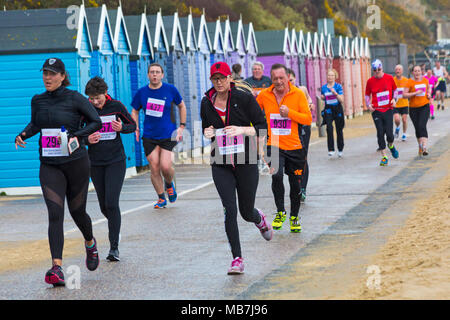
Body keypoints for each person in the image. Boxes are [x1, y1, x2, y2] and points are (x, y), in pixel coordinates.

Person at [14, 58, 102, 287]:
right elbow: (36, 124)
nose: (47, 78)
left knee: (77, 211)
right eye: (45, 73)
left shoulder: (75, 98)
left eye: (52, 74)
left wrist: (78, 136)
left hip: (76, 163)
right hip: (50, 164)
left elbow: (96, 121)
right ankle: (57, 268)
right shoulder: (38, 100)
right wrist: (23, 134)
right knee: (55, 213)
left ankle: (90, 242)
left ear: (63, 76)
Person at [200, 61, 272, 275]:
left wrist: (241, 129)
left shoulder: (243, 97)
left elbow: (262, 127)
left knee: (245, 212)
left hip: (246, 160)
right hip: (220, 163)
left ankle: (258, 218)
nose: (219, 82)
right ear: (212, 80)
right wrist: (207, 133)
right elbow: (206, 127)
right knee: (229, 210)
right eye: (215, 79)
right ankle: (237, 259)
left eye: (222, 78)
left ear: (230, 78)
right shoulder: (206, 102)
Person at [84, 77, 136, 262]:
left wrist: (122, 127)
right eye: (91, 98)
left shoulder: (116, 106)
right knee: (104, 205)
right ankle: (116, 226)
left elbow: (133, 126)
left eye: (98, 98)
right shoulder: (86, 108)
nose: (95, 102)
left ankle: (114, 247)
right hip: (95, 162)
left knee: (112, 203)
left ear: (105, 94)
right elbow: (78, 132)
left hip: (116, 160)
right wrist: (86, 140)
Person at [257, 64, 312, 233]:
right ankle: (280, 211)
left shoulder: (298, 94)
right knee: (277, 175)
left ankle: (294, 217)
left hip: (295, 146)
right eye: (275, 79)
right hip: (273, 144)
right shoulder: (264, 95)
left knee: (295, 184)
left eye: (282, 78)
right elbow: (253, 114)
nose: (279, 82)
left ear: (288, 77)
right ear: (271, 79)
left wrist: (290, 113)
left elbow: (308, 119)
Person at [131, 63, 186, 209]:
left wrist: (182, 126)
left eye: (157, 72)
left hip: (167, 134)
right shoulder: (142, 92)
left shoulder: (170, 89)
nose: (154, 75)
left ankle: (169, 184)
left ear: (162, 75)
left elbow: (182, 106)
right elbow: (135, 110)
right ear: (148, 75)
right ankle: (161, 197)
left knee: (165, 167)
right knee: (154, 167)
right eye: (152, 72)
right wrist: (135, 127)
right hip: (149, 135)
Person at [365, 59, 399, 166]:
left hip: (388, 109)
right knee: (380, 132)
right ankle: (384, 156)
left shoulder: (389, 78)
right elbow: (367, 95)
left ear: (382, 68)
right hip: (376, 110)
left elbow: (395, 90)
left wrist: (394, 99)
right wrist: (368, 105)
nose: (377, 72)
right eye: (375, 70)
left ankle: (391, 146)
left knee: (389, 134)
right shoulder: (370, 81)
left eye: (379, 69)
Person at [287, 68, 314, 203]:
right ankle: (296, 186)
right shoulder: (281, 94)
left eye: (291, 80)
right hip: (290, 130)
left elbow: (310, 102)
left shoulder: (301, 89)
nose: (289, 83)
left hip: (303, 127)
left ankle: (302, 189)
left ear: (295, 79)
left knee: (303, 157)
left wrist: (310, 105)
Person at [403, 65, 432, 156]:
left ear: (421, 72)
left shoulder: (425, 80)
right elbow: (404, 95)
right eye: (415, 71)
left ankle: (424, 147)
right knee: (417, 128)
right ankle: (420, 145)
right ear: (413, 73)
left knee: (422, 125)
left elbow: (429, 89)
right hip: (413, 109)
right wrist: (415, 93)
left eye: (419, 71)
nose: (417, 73)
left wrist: (429, 94)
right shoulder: (409, 82)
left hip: (424, 106)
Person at [320, 69, 345, 157]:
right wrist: (322, 97)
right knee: (329, 128)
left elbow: (341, 100)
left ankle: (340, 149)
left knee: (339, 129)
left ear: (335, 77)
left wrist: (335, 94)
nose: (330, 77)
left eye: (332, 75)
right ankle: (331, 149)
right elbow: (323, 97)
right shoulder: (323, 87)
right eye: (329, 75)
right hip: (328, 109)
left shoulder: (338, 86)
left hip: (337, 109)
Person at [393, 64, 410, 140]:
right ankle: (397, 127)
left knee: (404, 119)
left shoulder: (406, 80)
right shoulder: (392, 80)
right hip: (395, 104)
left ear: (402, 71)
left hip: (404, 103)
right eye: (396, 69)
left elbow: (410, 90)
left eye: (399, 69)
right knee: (397, 119)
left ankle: (404, 134)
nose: (397, 71)